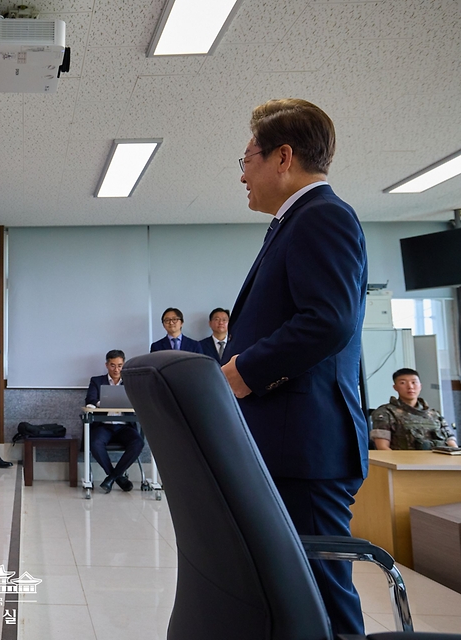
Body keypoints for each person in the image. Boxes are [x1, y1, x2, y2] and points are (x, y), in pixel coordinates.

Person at [220, 99, 368, 635]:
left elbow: (328, 321)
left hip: (306, 448)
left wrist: (243, 372)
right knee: (287, 595)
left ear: (283, 157)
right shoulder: (292, 224)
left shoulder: (322, 215)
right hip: (288, 442)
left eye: (247, 160)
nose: (242, 176)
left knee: (321, 599)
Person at [85, 350, 144, 493]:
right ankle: (118, 478)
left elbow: (139, 400)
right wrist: (102, 403)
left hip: (124, 426)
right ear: (107, 365)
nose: (116, 369)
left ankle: (111, 478)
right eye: (112, 365)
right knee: (95, 443)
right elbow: (90, 399)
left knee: (138, 442)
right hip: (104, 425)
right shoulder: (97, 381)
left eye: (120, 365)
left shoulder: (130, 382)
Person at [370, 368, 457, 450]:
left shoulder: (434, 415)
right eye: (403, 383)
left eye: (414, 382)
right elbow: (382, 448)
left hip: (438, 460)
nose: (410, 387)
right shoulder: (385, 413)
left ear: (420, 386)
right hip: (403, 460)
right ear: (395, 387)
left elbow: (452, 445)